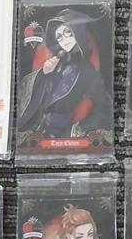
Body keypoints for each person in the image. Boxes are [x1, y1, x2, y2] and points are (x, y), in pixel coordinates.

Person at [17, 14, 110, 144]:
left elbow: (104, 108)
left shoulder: (88, 72)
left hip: (62, 134)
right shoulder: (55, 64)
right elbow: (27, 92)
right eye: (59, 37)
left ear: (78, 31)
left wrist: (80, 128)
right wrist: (44, 73)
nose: (63, 39)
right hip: (37, 131)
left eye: (67, 32)